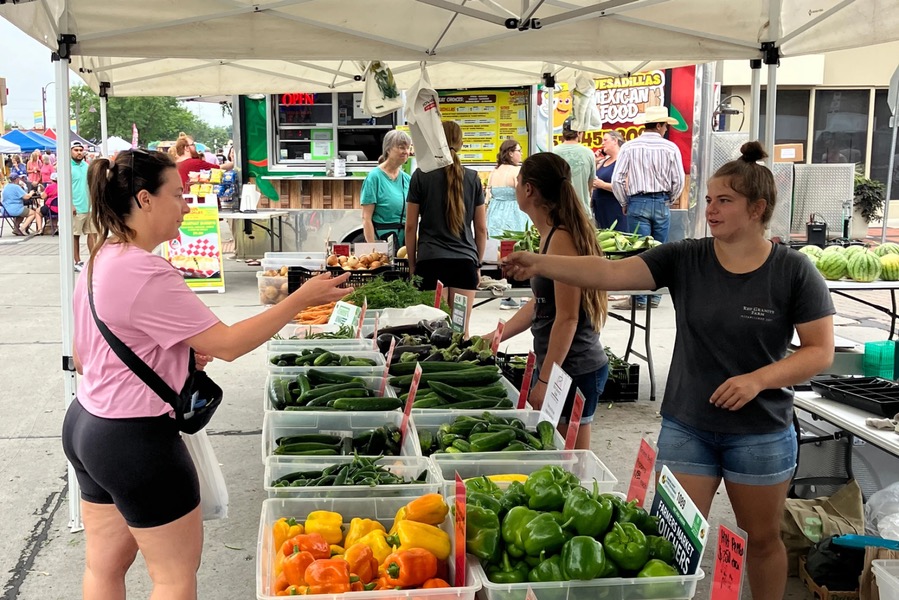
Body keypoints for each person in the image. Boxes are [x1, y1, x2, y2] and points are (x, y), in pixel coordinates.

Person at [503, 142, 835, 599]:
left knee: (761, 540)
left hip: (760, 431)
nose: (710, 209)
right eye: (709, 199)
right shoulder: (685, 257)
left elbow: (819, 352)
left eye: (725, 200)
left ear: (758, 209)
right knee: (671, 544)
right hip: (688, 426)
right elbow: (610, 272)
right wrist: (538, 261)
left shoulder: (794, 271)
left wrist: (759, 379)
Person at [62, 149, 350, 600]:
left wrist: (172, 357)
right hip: (136, 442)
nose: (188, 205)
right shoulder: (147, 271)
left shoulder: (101, 258)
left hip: (87, 426)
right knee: (174, 576)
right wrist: (299, 298)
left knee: (103, 567)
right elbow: (230, 344)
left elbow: (86, 358)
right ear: (144, 199)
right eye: (178, 195)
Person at [485, 152, 608, 449]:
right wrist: (496, 336)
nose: (515, 189)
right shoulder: (550, 235)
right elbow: (542, 302)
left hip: (575, 367)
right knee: (560, 456)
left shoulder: (561, 240)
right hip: (564, 365)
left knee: (572, 463)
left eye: (518, 183)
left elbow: (568, 317)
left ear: (529, 190)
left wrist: (545, 380)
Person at [405, 121, 488, 336]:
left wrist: (413, 265)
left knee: (432, 334)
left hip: (430, 263)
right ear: (460, 143)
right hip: (464, 265)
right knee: (460, 333)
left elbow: (411, 226)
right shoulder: (472, 178)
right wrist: (477, 264)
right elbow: (481, 229)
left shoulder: (421, 175)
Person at [611, 105, 685, 310]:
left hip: (637, 201)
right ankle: (655, 297)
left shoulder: (629, 147)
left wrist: (624, 202)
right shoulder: (670, 148)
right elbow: (678, 181)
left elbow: (617, 180)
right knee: (660, 251)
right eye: (665, 126)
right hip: (662, 201)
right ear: (659, 125)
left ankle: (639, 298)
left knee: (640, 252)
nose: (666, 130)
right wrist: (669, 199)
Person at [486, 139, 529, 310]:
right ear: (510, 152)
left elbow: (489, 196)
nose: (521, 154)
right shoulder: (517, 171)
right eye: (519, 150)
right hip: (515, 215)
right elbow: (523, 193)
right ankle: (523, 294)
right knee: (521, 253)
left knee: (503, 256)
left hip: (495, 216)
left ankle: (506, 294)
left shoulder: (494, 172)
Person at [360, 130, 412, 245]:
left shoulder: (407, 179)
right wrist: (373, 249)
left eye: (408, 148)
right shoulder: (374, 177)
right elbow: (366, 218)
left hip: (404, 242)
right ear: (388, 149)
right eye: (401, 147)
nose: (406, 152)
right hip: (381, 240)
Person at [552, 118, 595, 213]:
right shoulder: (588, 153)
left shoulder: (552, 152)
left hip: (558, 210)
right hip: (582, 210)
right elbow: (590, 184)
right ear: (579, 132)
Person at [592, 131, 629, 232]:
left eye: (605, 140)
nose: (602, 143)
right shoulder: (603, 161)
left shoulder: (623, 161)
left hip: (615, 209)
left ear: (615, 141)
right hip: (600, 210)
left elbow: (626, 186)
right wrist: (594, 162)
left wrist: (603, 185)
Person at [71, 141, 95, 272]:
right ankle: (77, 260)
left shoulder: (86, 166)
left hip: (89, 206)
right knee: (75, 235)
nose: (79, 152)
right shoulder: (67, 167)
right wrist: (70, 204)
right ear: (70, 151)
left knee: (92, 233)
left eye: (80, 150)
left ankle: (93, 259)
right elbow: (64, 188)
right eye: (76, 150)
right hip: (76, 207)